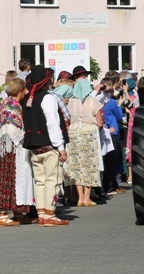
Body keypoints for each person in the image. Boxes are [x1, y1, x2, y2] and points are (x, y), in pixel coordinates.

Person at [21, 65, 69, 226]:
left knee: (39, 181)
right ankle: (49, 213)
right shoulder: (48, 98)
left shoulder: (26, 100)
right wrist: (60, 147)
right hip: (49, 146)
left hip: (34, 148)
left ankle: (42, 212)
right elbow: (52, 124)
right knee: (52, 180)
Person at [0, 78, 35, 226]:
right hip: (9, 149)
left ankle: (17, 211)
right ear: (19, 90)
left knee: (16, 180)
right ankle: (3, 215)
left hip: (11, 148)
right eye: (24, 89)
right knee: (7, 179)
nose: (25, 92)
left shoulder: (9, 103)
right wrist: (24, 136)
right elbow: (9, 128)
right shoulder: (11, 106)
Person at [64, 65, 103, 207]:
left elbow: (67, 119)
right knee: (89, 165)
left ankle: (79, 197)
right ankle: (87, 197)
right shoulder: (93, 101)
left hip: (73, 134)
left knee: (77, 166)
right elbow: (100, 122)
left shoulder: (70, 102)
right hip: (89, 133)